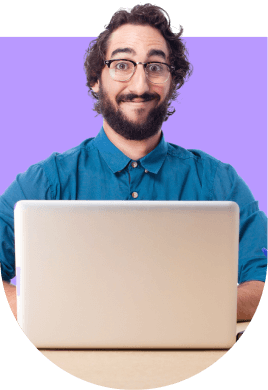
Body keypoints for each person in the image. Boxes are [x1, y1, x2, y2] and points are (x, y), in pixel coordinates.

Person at [1, 5, 266, 323]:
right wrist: (55, 311)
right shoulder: (44, 181)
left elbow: (260, 284)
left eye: (155, 67)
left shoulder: (219, 182)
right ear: (96, 80)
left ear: (172, 81)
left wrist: (157, 310)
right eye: (122, 65)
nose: (140, 86)